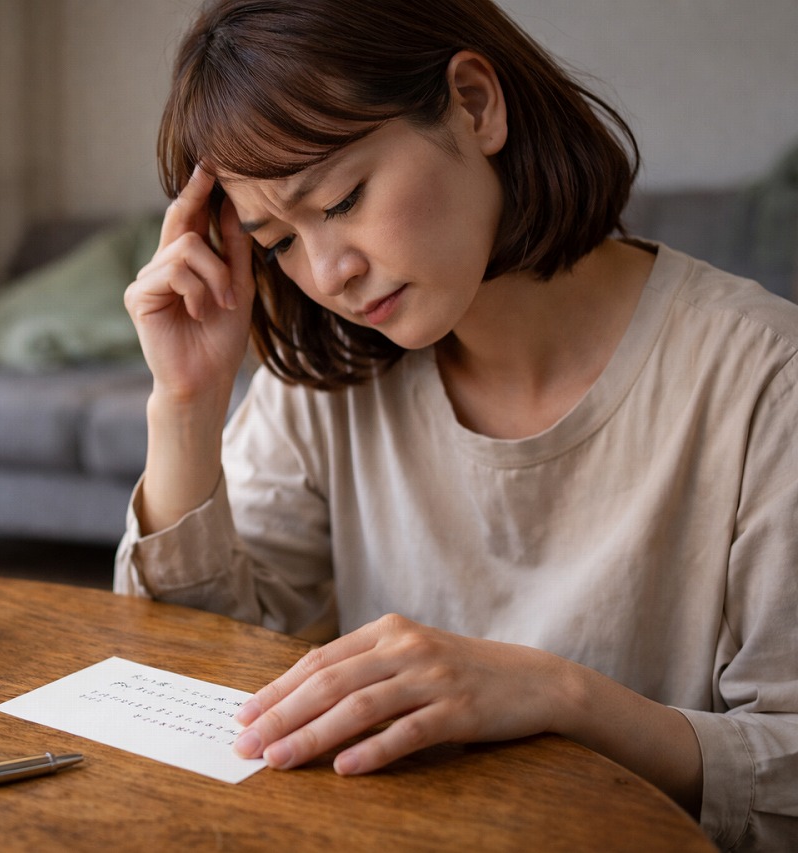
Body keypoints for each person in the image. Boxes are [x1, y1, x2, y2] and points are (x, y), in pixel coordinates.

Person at [113, 1, 798, 850]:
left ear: (475, 104)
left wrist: (560, 696)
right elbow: (189, 679)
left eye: (341, 199)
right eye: (277, 241)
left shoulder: (768, 379)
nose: (330, 273)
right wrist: (184, 404)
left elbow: (786, 769)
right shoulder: (334, 379)